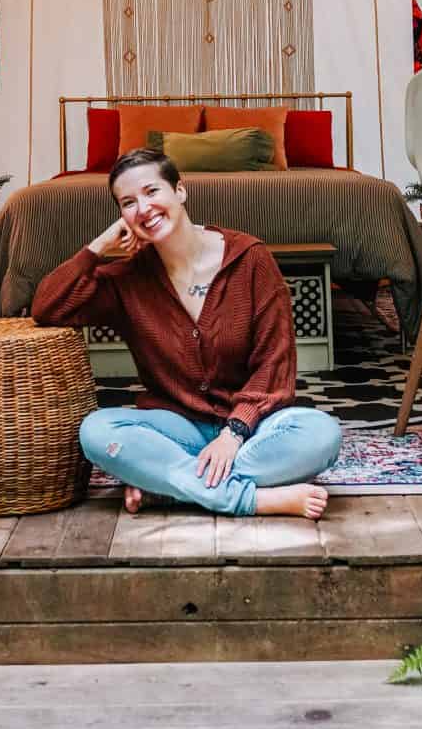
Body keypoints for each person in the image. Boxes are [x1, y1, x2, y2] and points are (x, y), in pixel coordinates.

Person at [32, 148, 342, 518]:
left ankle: (166, 488)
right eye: (128, 202)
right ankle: (249, 500)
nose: (143, 209)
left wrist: (233, 433)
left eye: (151, 192)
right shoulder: (127, 278)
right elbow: (47, 308)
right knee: (96, 431)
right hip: (175, 428)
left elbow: (274, 364)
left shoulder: (250, 259)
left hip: (252, 429)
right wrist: (100, 247)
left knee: (321, 434)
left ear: (180, 191)